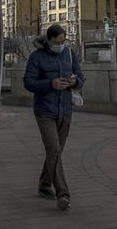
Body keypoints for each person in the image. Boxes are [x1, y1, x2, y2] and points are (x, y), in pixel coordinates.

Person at [22, 24, 85, 211]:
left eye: (63, 41)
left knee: (55, 152)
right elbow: (28, 82)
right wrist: (51, 84)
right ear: (48, 40)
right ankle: (63, 194)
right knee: (54, 149)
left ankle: (43, 185)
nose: (60, 44)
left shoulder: (69, 54)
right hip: (45, 111)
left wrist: (75, 82)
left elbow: (81, 76)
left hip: (65, 110)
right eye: (57, 42)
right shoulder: (37, 57)